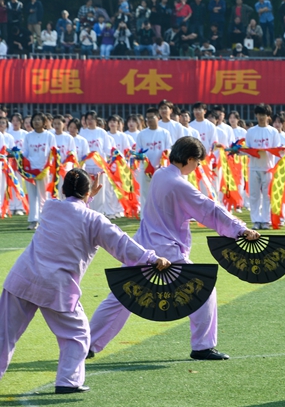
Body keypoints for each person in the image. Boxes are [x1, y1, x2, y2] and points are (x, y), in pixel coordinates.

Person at [0, 169, 171, 394]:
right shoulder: (94, 219)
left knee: (4, 335)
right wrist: (151, 258)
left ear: (63, 190)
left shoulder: (50, 207)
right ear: (87, 192)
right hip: (56, 286)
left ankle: (68, 382)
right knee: (78, 334)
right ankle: (68, 382)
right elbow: (121, 244)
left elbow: (73, 210)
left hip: (23, 277)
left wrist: (87, 196)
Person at [88, 137, 260, 361]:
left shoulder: (161, 174)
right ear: (189, 159)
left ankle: (87, 344)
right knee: (203, 289)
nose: (197, 167)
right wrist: (241, 229)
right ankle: (202, 346)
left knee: (121, 297)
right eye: (197, 163)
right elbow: (209, 209)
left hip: (141, 247)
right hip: (165, 251)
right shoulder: (178, 184)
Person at [245, 104, 281, 230]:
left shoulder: (273, 132)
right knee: (254, 195)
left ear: (268, 116)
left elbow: (277, 150)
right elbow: (247, 149)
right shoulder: (250, 132)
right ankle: (256, 220)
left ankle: (266, 220)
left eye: (264, 114)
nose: (261, 117)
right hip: (254, 167)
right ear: (256, 115)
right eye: (259, 114)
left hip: (268, 167)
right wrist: (252, 151)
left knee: (267, 195)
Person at [23, 113, 57, 230]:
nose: (36, 122)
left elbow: (53, 152)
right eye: (34, 120)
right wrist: (19, 159)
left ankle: (44, 220)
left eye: (39, 120)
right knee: (32, 196)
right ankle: (33, 220)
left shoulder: (49, 136)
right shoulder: (28, 136)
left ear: (44, 122)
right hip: (30, 170)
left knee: (43, 196)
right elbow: (25, 152)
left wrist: (49, 166)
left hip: (43, 169)